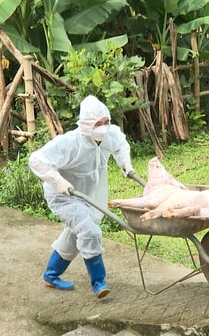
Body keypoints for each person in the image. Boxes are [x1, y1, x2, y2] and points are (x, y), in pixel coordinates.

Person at [29, 95, 134, 299]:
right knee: (89, 231)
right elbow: (37, 160)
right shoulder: (69, 142)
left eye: (106, 122)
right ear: (86, 124)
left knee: (74, 235)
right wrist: (57, 179)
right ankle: (99, 282)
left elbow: (121, 144)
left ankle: (51, 275)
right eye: (97, 123)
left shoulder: (109, 135)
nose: (103, 127)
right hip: (63, 197)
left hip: (89, 195)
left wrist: (125, 164)